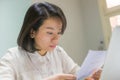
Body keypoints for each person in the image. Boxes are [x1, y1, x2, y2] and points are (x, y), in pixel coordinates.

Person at [0, 2, 101, 80]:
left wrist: (91, 75)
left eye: (59, 33)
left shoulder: (59, 52)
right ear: (32, 32)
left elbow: (77, 73)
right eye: (50, 33)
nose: (56, 39)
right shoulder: (12, 58)